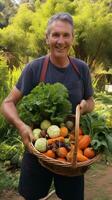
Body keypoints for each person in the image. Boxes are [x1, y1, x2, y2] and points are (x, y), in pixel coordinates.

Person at [0, 13, 95, 200]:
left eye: (66, 35)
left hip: (71, 150)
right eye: (55, 35)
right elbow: (8, 103)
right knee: (32, 196)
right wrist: (21, 126)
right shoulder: (33, 69)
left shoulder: (81, 68)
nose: (61, 41)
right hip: (36, 149)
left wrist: (85, 106)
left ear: (73, 38)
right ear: (47, 38)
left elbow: (91, 101)